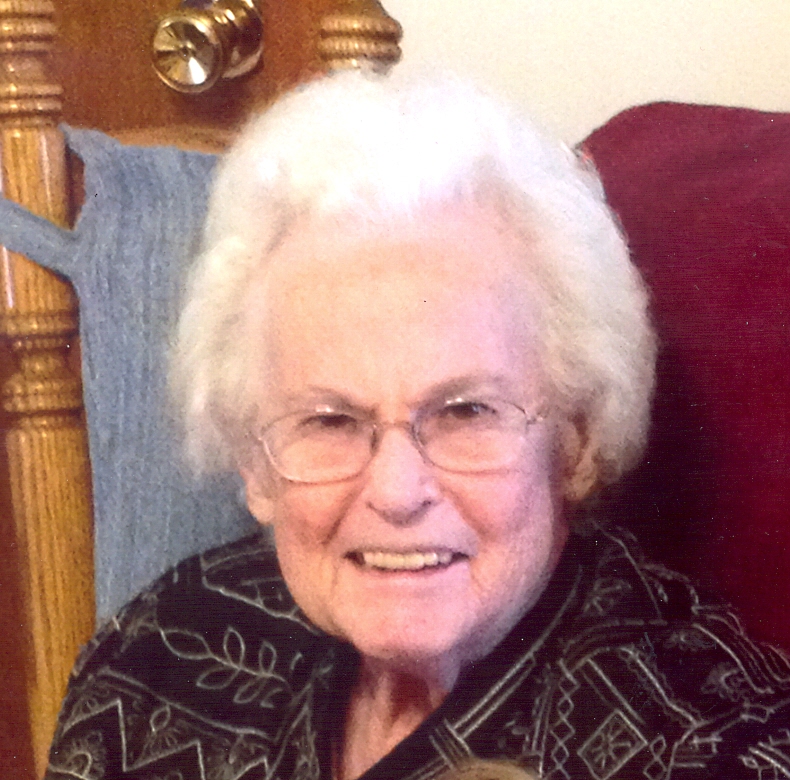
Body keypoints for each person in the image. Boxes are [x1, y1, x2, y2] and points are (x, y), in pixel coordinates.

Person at [45, 71, 790, 780]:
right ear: (253, 461)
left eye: (466, 412)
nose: (398, 492)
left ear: (578, 438)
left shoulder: (708, 748)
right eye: (330, 421)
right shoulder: (159, 660)